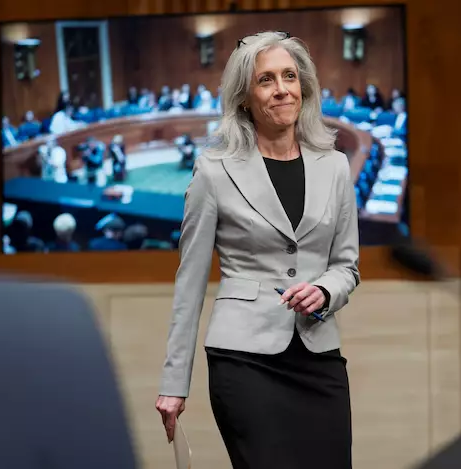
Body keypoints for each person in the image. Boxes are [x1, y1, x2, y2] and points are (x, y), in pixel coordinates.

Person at [155, 31, 360, 469]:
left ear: (304, 87)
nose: (282, 89)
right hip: (243, 363)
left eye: (290, 76)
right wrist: (174, 383)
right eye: (266, 80)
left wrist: (325, 291)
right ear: (245, 98)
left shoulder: (336, 166)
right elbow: (189, 283)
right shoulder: (214, 171)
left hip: (319, 358)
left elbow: (347, 266)